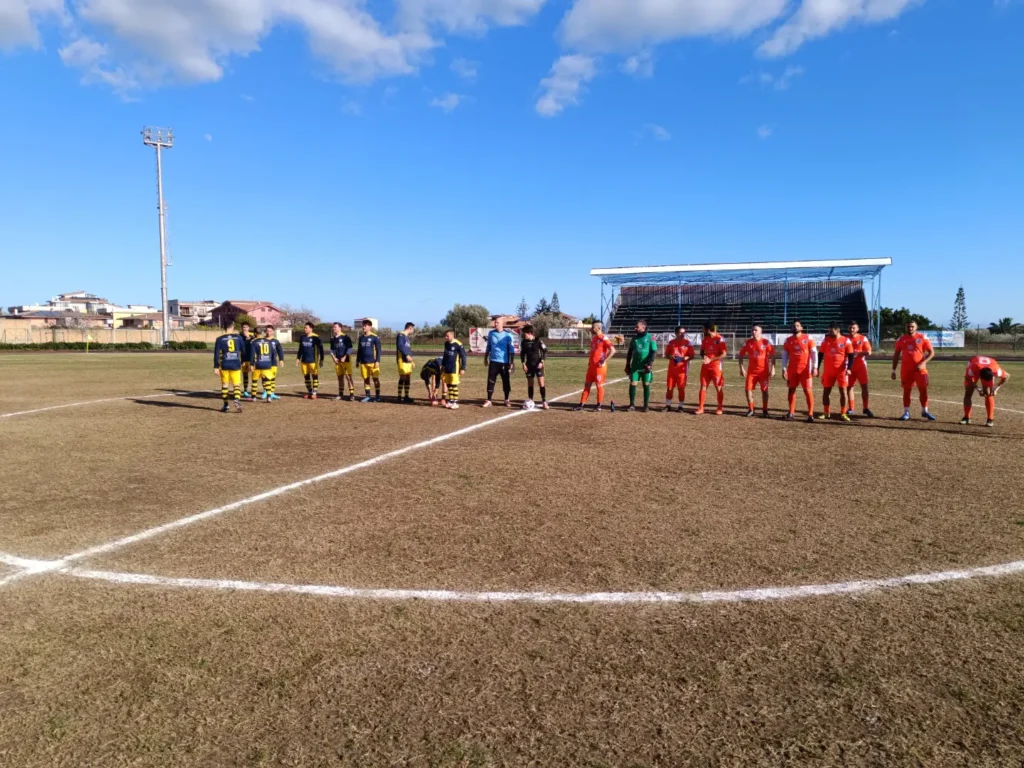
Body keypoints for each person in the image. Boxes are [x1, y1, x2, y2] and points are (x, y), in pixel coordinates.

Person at [892, 321, 936, 421]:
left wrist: (923, 363)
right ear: (905, 327)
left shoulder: (922, 337)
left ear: (916, 327)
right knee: (907, 390)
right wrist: (893, 370)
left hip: (920, 370)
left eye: (912, 326)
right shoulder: (901, 339)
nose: (910, 328)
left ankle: (925, 411)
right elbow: (896, 355)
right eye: (908, 327)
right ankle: (906, 412)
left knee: (923, 390)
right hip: (906, 370)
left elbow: (932, 353)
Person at [574, 321, 616, 412]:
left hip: (599, 368)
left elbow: (613, 350)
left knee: (599, 386)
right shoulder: (594, 339)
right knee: (587, 385)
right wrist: (590, 363)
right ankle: (581, 404)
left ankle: (599, 405)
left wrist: (604, 360)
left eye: (593, 327)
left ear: (598, 328)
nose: (592, 329)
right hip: (591, 367)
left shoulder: (604, 338)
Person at [782, 320, 817, 422]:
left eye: (798, 326)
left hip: (805, 370)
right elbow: (785, 355)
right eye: (794, 326)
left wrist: (815, 367)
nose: (795, 327)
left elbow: (814, 353)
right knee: (791, 390)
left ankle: (810, 414)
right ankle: (791, 412)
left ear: (801, 328)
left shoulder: (808, 338)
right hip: (792, 370)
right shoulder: (788, 340)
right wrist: (784, 368)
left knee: (807, 391)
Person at [818, 322, 854, 421]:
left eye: (831, 331)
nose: (829, 333)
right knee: (826, 392)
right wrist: (817, 367)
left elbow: (851, 356)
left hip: (841, 371)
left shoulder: (846, 341)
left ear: (837, 330)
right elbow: (820, 354)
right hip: (828, 371)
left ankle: (843, 413)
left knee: (843, 392)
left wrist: (849, 368)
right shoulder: (826, 340)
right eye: (828, 330)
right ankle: (826, 413)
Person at [738, 325, 775, 418]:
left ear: (760, 332)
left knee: (765, 391)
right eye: (752, 330)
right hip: (751, 372)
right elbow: (741, 355)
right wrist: (741, 367)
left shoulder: (766, 342)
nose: (753, 331)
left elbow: (773, 355)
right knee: (748, 390)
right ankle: (751, 409)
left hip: (763, 372)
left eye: (756, 330)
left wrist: (773, 368)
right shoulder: (748, 343)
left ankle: (765, 410)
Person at [962, 356, 1008, 427]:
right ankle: (966, 417)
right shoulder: (973, 368)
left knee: (989, 394)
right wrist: (978, 389)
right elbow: (967, 378)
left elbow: (1007, 376)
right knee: (968, 393)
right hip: (975, 364)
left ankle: (990, 419)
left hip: (989, 368)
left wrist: (995, 389)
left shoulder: (996, 370)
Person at [213, 321, 247, 413]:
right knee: (236, 385)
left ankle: (226, 405)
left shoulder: (219, 339)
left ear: (224, 328)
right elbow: (243, 351)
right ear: (233, 327)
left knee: (225, 385)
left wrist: (216, 366)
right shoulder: (239, 338)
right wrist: (243, 361)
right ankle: (236, 399)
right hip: (235, 364)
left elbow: (216, 354)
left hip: (224, 364)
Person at [625, 319, 657, 412]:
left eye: (637, 327)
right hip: (635, 366)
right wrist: (627, 365)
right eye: (635, 327)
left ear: (643, 327)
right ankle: (631, 405)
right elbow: (630, 352)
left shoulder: (651, 337)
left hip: (645, 366)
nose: (635, 328)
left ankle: (646, 405)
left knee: (646, 384)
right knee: (632, 383)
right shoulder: (634, 338)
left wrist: (650, 364)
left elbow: (653, 351)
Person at [696, 322, 728, 415]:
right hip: (706, 366)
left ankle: (720, 408)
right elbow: (702, 352)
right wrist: (704, 356)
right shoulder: (705, 339)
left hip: (716, 366)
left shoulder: (719, 339)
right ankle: (701, 408)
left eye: (703, 329)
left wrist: (711, 359)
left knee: (718, 387)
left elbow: (724, 354)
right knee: (703, 386)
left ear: (708, 330)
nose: (702, 331)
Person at [483, 317, 516, 408]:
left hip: (504, 363)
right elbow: (488, 347)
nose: (495, 324)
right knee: (490, 381)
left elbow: (511, 350)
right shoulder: (491, 333)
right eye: (495, 322)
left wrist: (511, 362)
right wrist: (486, 358)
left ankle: (506, 399)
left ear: (502, 324)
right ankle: (489, 400)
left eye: (497, 322)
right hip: (493, 362)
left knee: (506, 381)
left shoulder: (508, 335)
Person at [846, 321, 875, 418]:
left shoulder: (863, 338)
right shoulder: (845, 339)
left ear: (857, 329)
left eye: (854, 328)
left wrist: (858, 354)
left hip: (861, 367)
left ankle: (865, 408)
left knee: (864, 387)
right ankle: (851, 408)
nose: (852, 329)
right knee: (849, 387)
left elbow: (869, 352)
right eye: (850, 328)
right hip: (849, 367)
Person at [664, 326, 695, 412]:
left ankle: (680, 406)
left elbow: (692, 356)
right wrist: (671, 357)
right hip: (672, 370)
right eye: (681, 332)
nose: (683, 334)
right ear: (676, 333)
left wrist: (682, 358)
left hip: (682, 370)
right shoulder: (671, 343)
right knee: (669, 388)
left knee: (681, 388)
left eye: (684, 332)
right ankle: (668, 405)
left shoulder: (688, 343)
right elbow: (666, 354)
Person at [519, 324, 549, 409]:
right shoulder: (524, 342)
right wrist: (523, 364)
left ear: (530, 333)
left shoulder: (538, 341)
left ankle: (544, 402)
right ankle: (530, 400)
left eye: (524, 333)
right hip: (529, 366)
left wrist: (542, 361)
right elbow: (522, 354)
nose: (523, 334)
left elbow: (545, 351)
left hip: (538, 365)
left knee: (541, 383)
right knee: (530, 384)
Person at [250, 328, 282, 402]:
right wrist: (271, 362)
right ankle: (269, 397)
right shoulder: (269, 341)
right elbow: (273, 353)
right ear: (262, 333)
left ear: (255, 334)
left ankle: (253, 397)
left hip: (258, 364)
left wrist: (251, 364)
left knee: (254, 380)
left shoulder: (254, 342)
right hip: (267, 364)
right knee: (268, 380)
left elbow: (252, 354)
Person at [295, 321, 325, 400]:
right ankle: (310, 392)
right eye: (304, 328)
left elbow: (321, 349)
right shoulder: (302, 337)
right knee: (306, 377)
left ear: (311, 329)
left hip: (313, 360)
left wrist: (322, 359)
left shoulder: (316, 338)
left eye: (306, 328)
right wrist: (298, 358)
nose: (304, 329)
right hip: (304, 360)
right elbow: (300, 349)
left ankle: (314, 393)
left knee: (314, 376)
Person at [356, 319, 383, 403]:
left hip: (373, 362)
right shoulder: (361, 338)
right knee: (366, 379)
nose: (363, 327)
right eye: (363, 325)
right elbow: (359, 350)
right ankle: (368, 396)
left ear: (370, 327)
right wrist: (357, 360)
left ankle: (377, 396)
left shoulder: (375, 337)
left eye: (365, 325)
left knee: (375, 379)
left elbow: (379, 350)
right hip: (363, 362)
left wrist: (377, 361)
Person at [441, 329, 467, 409]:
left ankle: (456, 402)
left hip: (454, 367)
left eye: (447, 336)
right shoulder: (446, 344)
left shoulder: (458, 344)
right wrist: (443, 365)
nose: (446, 337)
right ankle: (451, 400)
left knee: (453, 384)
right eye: (445, 336)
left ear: (452, 335)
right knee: (448, 384)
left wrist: (463, 368)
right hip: (447, 367)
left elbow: (463, 356)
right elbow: (445, 355)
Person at [330, 323, 355, 401]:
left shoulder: (345, 337)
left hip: (346, 361)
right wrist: (334, 358)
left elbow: (350, 349)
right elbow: (332, 350)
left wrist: (345, 357)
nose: (333, 328)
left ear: (340, 328)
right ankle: (340, 394)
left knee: (348, 377)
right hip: (338, 361)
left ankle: (352, 395)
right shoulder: (333, 339)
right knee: (340, 377)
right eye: (333, 327)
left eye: (335, 327)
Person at [261, 325, 285, 401]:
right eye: (267, 331)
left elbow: (280, 351)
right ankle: (265, 391)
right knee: (264, 378)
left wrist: (281, 359)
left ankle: (272, 393)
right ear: (265, 331)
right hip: (264, 362)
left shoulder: (275, 341)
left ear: (273, 331)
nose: (268, 332)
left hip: (273, 362)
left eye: (270, 331)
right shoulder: (262, 340)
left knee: (272, 378)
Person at [396, 322, 416, 404]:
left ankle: (406, 396)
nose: (413, 331)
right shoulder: (401, 335)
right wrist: (407, 355)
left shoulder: (407, 338)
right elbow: (400, 346)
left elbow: (407, 349)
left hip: (408, 361)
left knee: (408, 378)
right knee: (403, 377)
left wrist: (412, 361)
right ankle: (399, 397)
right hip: (402, 360)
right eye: (413, 329)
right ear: (410, 328)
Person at [239, 321, 255, 400]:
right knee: (245, 375)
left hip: (252, 359)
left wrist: (250, 338)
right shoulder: (240, 336)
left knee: (254, 375)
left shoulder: (252, 336)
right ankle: (245, 390)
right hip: (244, 359)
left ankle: (254, 391)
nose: (244, 328)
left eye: (246, 327)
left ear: (248, 328)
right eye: (243, 327)